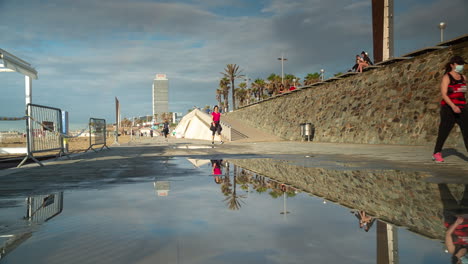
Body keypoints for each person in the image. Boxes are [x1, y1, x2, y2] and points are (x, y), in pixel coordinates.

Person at [433, 56, 468, 162]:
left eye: (462, 64)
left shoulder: (464, 78)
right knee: (444, 131)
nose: (461, 66)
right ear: (452, 65)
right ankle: (437, 152)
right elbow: (444, 94)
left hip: (462, 108)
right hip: (449, 108)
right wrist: (453, 106)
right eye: (459, 64)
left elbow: (464, 92)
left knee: (467, 131)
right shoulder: (447, 77)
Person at [439, 184, 468, 263]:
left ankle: (441, 180)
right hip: (465, 219)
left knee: (446, 194)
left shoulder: (452, 249)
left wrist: (456, 223)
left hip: (452, 219)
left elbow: (448, 234)